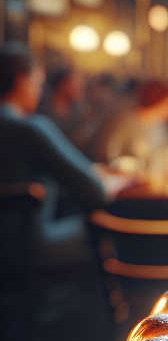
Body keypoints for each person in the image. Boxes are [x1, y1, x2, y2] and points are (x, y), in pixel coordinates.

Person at [0, 44, 128, 269]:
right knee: (110, 225)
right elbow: (95, 192)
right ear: (21, 81)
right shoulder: (30, 128)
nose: (40, 92)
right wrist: (118, 181)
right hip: (25, 249)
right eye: (38, 83)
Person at [86, 79, 168, 166]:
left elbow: (160, 156)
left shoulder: (159, 125)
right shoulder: (123, 116)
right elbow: (102, 153)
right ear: (158, 100)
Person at [39, 67, 96, 150]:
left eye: (82, 85)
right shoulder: (41, 104)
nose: (81, 89)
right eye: (77, 85)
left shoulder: (77, 114)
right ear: (63, 84)